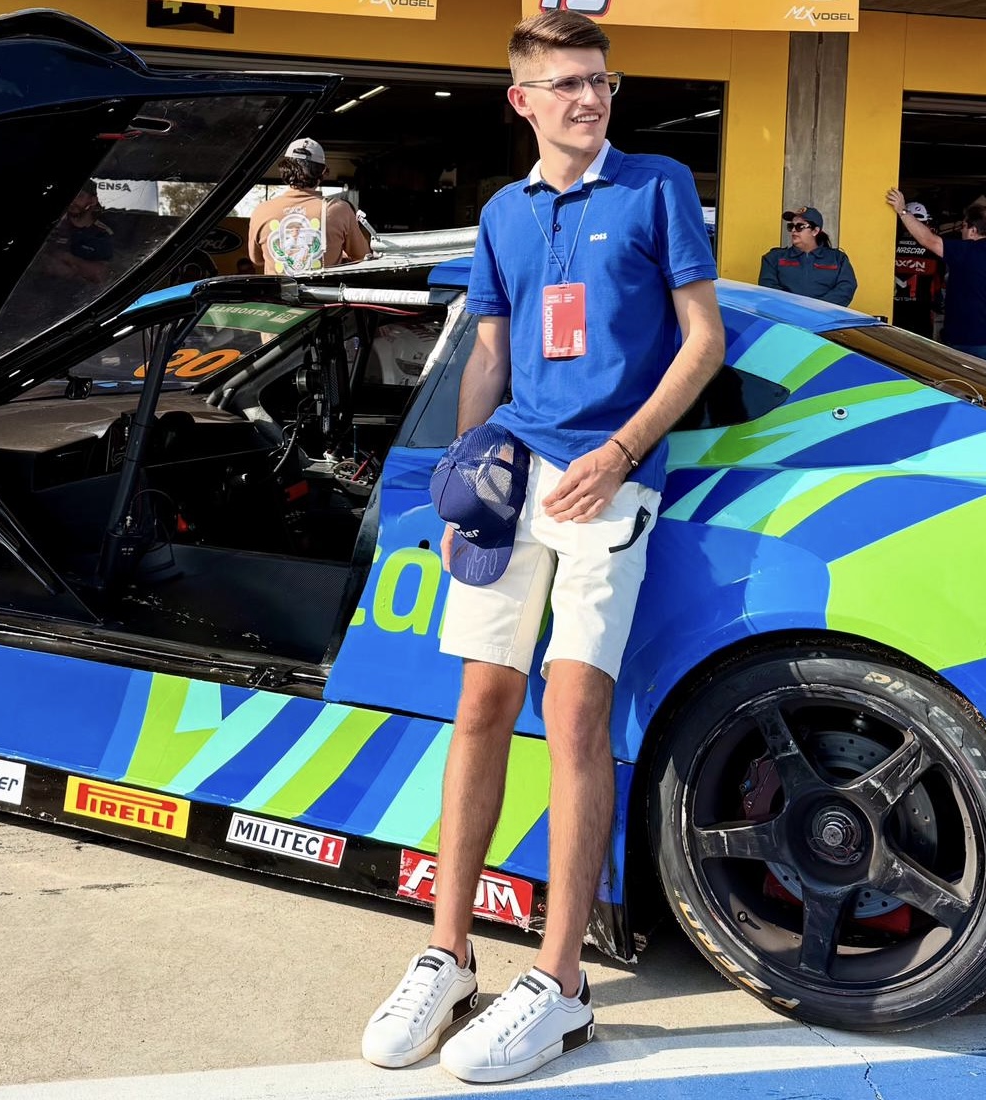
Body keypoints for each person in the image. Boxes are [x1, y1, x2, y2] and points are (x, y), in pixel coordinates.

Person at [360, 9, 723, 1084]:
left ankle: (560, 982)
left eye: (601, 81)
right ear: (521, 100)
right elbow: (489, 356)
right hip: (512, 480)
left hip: (609, 488)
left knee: (572, 713)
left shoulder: (656, 186)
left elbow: (702, 340)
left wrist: (618, 453)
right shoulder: (501, 212)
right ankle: (446, 954)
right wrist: (457, 487)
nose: (590, 98)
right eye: (567, 83)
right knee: (479, 702)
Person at [886, 190, 986, 363]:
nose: (961, 231)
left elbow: (928, 240)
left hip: (967, 338)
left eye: (963, 226)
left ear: (973, 230)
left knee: (958, 380)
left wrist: (902, 210)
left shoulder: (965, 250)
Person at [247, 137, 370, 275]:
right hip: (322, 289)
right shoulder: (339, 209)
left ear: (284, 169)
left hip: (278, 289)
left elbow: (257, 259)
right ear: (322, 172)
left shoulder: (261, 211)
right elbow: (362, 256)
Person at [758, 206, 857, 305]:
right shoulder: (774, 258)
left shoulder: (838, 259)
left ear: (815, 231)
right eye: (791, 226)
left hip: (825, 313)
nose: (793, 230)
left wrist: (818, 307)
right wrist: (795, 307)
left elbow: (846, 288)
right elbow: (769, 288)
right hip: (785, 313)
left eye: (799, 226)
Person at [892, 201, 945, 338]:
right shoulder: (932, 248)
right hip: (922, 310)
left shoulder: (890, 242)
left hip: (893, 308)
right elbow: (939, 282)